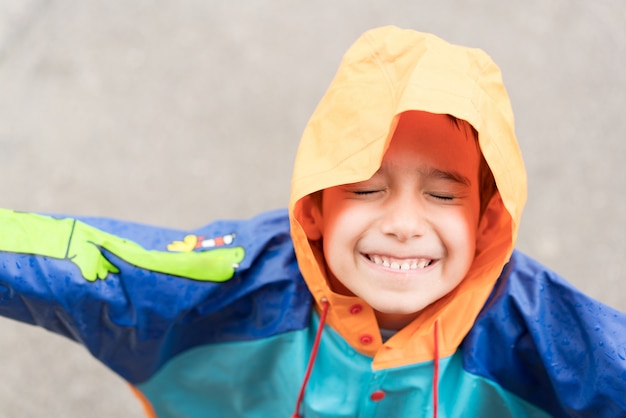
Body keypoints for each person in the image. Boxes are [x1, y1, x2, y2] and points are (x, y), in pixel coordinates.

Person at [0, 26, 624, 418]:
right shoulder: (238, 279)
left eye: (441, 196)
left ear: (487, 221)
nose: (403, 223)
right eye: (367, 188)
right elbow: (87, 268)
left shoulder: (554, 342)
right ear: (316, 207)